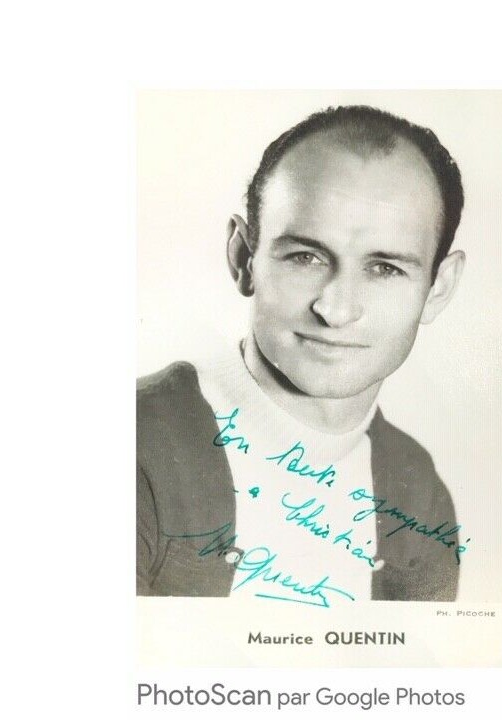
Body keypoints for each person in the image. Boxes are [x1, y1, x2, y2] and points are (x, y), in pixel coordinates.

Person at [137, 105, 466, 605]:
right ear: (244, 256)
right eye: (305, 257)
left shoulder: (419, 496)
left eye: (385, 269)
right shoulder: (134, 445)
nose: (335, 310)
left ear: (438, 288)